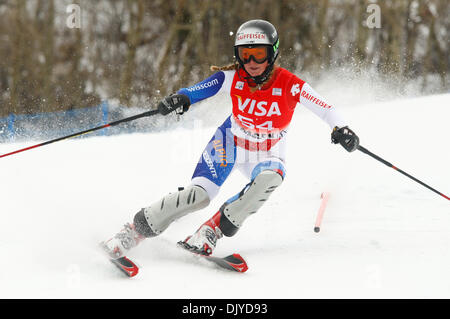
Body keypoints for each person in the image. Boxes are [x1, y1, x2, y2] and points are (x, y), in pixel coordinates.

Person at [101, 19, 359, 259]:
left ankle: (211, 231)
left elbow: (326, 109)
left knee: (271, 177)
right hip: (229, 145)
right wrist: (180, 98)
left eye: (259, 53)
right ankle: (132, 231)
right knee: (198, 196)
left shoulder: (290, 84)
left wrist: (342, 129)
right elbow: (196, 90)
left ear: (273, 54)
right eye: (245, 54)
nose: (251, 60)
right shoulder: (232, 77)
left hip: (267, 151)